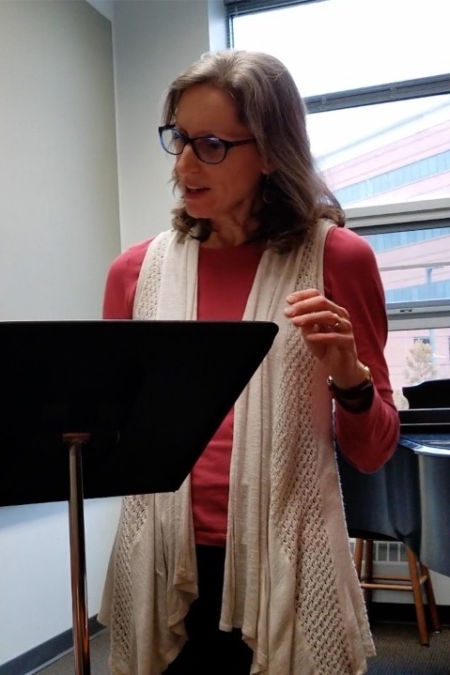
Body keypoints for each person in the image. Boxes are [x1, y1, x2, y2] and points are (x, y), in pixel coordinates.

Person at [96, 50, 400, 675]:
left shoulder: (339, 259)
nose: (183, 164)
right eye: (178, 139)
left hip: (286, 560)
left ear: (269, 151)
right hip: (162, 563)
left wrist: (349, 378)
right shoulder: (135, 272)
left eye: (210, 144)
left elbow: (373, 452)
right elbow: (111, 434)